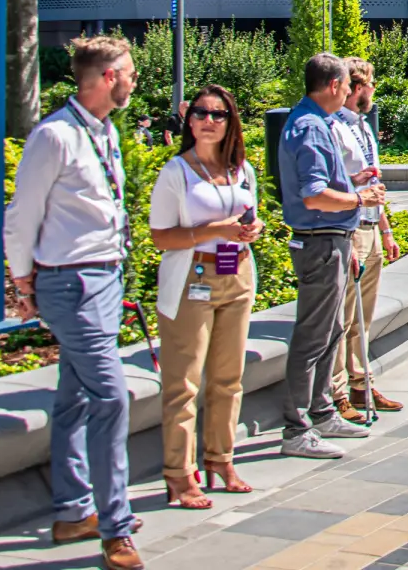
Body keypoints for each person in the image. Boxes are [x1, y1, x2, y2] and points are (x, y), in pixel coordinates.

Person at [3, 36, 146, 570]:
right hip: (72, 284)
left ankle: (71, 512)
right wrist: (23, 284)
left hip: (103, 279)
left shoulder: (103, 131)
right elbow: (21, 216)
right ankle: (114, 527)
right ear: (108, 77)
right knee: (112, 397)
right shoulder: (55, 136)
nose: (134, 80)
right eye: (129, 72)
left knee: (75, 397)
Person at [150, 85, 263, 508]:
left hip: (238, 273)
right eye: (200, 113)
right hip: (191, 277)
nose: (209, 121)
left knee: (229, 379)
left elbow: (252, 216)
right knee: (183, 383)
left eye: (219, 114)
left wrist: (254, 230)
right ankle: (179, 474)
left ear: (231, 121)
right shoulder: (176, 172)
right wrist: (216, 230)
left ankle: (221, 458)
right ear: (189, 121)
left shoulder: (242, 169)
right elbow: (161, 237)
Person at [278, 53, 386, 458]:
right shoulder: (310, 128)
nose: (347, 92)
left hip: (332, 239)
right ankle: (296, 428)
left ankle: (322, 412)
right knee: (314, 335)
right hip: (320, 241)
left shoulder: (316, 124)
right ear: (332, 86)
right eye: (343, 85)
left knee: (331, 332)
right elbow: (314, 193)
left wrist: (353, 183)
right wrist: (359, 196)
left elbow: (324, 184)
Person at [330, 58, 402, 420]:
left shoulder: (362, 127)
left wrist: (386, 229)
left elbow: (372, 183)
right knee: (343, 317)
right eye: (372, 85)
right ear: (358, 88)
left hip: (371, 227)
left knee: (364, 316)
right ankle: (337, 391)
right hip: (351, 227)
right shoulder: (335, 129)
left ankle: (360, 384)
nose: (374, 92)